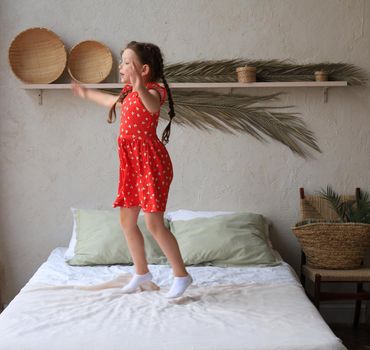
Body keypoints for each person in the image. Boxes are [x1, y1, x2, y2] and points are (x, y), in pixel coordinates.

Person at [71, 41, 192, 298]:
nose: (121, 66)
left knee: (154, 223)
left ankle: (181, 275)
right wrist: (85, 93)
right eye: (121, 61)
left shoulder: (154, 91)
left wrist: (139, 86)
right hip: (131, 166)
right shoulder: (127, 93)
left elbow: (152, 106)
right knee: (127, 221)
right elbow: (109, 100)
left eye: (126, 62)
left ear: (144, 69)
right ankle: (141, 273)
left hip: (151, 164)